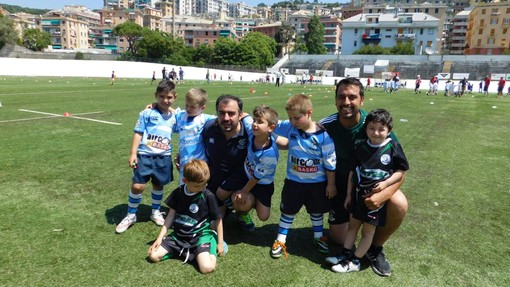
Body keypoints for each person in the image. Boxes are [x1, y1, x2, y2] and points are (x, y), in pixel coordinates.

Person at [320, 78, 408, 277]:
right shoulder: (327, 125)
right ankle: (352, 247)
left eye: (352, 97)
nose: (347, 102)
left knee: (400, 203)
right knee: (339, 239)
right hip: (342, 186)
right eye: (341, 97)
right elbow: (301, 131)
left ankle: (374, 248)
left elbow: (400, 171)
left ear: (362, 100)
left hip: (374, 186)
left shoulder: (375, 125)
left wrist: (383, 195)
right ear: (335, 101)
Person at [270, 94, 337, 259]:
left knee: (316, 211)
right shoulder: (291, 128)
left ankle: (318, 237)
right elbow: (272, 125)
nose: (293, 121)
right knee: (288, 211)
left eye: (296, 118)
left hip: (317, 184)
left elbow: (330, 162)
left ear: (309, 112)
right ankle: (280, 239)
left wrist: (331, 184)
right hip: (294, 182)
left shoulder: (323, 136)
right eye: (290, 118)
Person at [115, 80, 177, 234]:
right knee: (138, 186)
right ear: (156, 96)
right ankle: (131, 215)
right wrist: (133, 153)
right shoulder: (146, 113)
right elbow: (138, 133)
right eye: (161, 96)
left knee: (158, 184)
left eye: (169, 97)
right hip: (145, 155)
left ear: (174, 97)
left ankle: (155, 212)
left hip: (164, 157)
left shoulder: (176, 116)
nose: (165, 100)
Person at [147, 159, 226, 274]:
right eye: (198, 185)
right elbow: (169, 217)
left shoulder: (208, 196)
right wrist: (159, 238)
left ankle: (210, 244)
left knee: (207, 268)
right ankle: (189, 254)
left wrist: (220, 243)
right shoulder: (177, 193)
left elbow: (218, 219)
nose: (202, 188)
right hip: (179, 237)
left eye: (205, 184)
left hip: (200, 237)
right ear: (185, 180)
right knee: (153, 255)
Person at [202, 95, 255, 231]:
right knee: (208, 225)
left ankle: (241, 212)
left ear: (241, 115)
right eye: (222, 113)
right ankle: (223, 207)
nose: (226, 118)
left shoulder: (249, 133)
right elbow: (188, 118)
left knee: (243, 202)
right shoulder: (209, 127)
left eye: (231, 114)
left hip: (238, 182)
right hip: (213, 183)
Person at [232, 105, 284, 222]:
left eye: (260, 122)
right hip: (245, 175)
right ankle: (243, 212)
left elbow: (256, 178)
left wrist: (243, 192)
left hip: (263, 184)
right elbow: (245, 116)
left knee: (263, 216)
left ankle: (252, 200)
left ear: (271, 128)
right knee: (237, 201)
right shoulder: (252, 132)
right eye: (255, 120)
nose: (254, 124)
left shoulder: (270, 153)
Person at [173, 88, 216, 185]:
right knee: (183, 190)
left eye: (192, 107)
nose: (188, 109)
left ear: (202, 107)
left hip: (200, 164)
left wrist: (244, 117)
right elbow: (168, 111)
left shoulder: (206, 119)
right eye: (187, 105)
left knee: (199, 189)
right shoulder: (180, 116)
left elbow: (221, 120)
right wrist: (155, 105)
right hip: (184, 164)